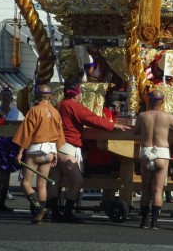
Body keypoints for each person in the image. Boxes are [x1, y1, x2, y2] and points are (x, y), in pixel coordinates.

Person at [47, 80, 130, 223]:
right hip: (67, 145)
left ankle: (55, 212)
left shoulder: (59, 105)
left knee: (55, 181)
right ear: (77, 94)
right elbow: (92, 119)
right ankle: (67, 212)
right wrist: (113, 125)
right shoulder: (73, 106)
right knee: (78, 181)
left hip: (56, 145)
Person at [134, 89, 173, 229]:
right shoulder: (167, 116)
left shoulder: (142, 116)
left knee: (145, 189)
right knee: (158, 189)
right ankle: (154, 223)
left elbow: (135, 132)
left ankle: (143, 222)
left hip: (146, 151)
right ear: (162, 101)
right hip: (162, 152)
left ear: (149, 101)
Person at [12, 84, 66, 223]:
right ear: (51, 97)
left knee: (25, 183)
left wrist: (20, 152)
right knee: (42, 184)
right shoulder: (55, 112)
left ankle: (38, 207)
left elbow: (26, 133)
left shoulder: (34, 110)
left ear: (37, 96)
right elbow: (60, 135)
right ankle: (42, 212)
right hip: (49, 151)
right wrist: (55, 153)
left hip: (35, 149)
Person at [0, 87, 21, 212]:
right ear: (0, 98)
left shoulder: (14, 111)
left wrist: (5, 121)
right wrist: (3, 117)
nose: (6, 98)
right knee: (1, 176)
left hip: (10, 145)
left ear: (12, 98)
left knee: (7, 177)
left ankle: (2, 203)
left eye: (8, 95)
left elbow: (12, 123)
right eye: (4, 95)